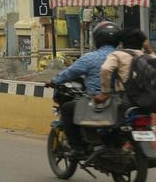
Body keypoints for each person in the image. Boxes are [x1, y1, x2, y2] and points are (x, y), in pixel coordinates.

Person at [49, 21, 119, 158]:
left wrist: (54, 81)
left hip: (97, 103)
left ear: (97, 39)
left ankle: (77, 148)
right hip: (120, 103)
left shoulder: (90, 58)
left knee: (67, 109)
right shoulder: (124, 56)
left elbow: (69, 73)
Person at [94, 27, 150, 104]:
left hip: (127, 97)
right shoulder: (148, 57)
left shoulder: (117, 55)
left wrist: (105, 92)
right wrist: (149, 49)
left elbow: (105, 69)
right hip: (149, 98)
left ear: (122, 43)